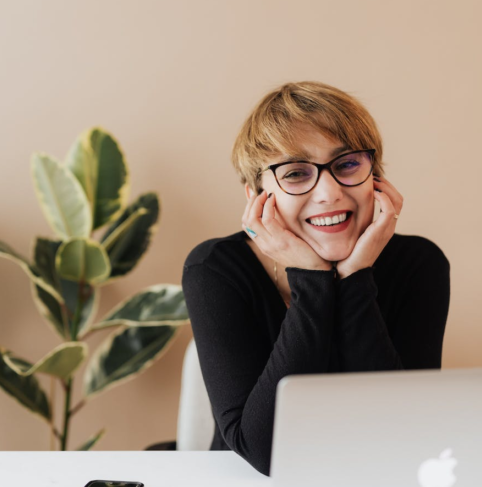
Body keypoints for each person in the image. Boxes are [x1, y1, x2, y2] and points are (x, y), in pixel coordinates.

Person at [181, 81, 450, 476]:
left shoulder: (419, 263)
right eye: (295, 173)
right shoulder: (215, 269)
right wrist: (311, 278)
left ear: (375, 176)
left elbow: (405, 432)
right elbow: (264, 452)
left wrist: (355, 277)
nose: (328, 193)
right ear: (256, 195)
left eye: (346, 165)